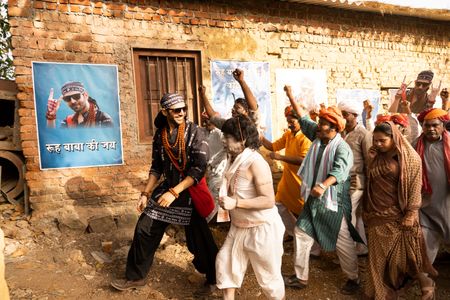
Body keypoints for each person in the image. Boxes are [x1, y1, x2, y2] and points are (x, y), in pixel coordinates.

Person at [111, 93, 218, 295]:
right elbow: (156, 167)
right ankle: (136, 277)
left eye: (184, 109)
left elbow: (199, 169)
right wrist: (145, 193)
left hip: (188, 193)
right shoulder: (160, 136)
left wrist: (174, 192)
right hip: (167, 190)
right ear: (165, 111)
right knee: (144, 228)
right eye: (176, 110)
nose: (182, 113)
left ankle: (214, 279)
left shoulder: (197, 133)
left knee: (200, 241)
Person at [284, 85, 361, 295]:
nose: (318, 126)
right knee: (301, 232)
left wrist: (322, 185)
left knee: (342, 241)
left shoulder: (342, 148)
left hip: (333, 202)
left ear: (335, 128)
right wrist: (290, 94)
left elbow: (340, 171)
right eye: (319, 123)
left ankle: (353, 278)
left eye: (324, 124)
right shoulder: (318, 138)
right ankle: (300, 277)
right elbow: (303, 118)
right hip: (314, 199)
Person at [364, 121, 437, 299]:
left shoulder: (409, 158)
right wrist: (371, 160)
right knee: (377, 258)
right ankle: (379, 293)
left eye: (382, 141)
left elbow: (413, 187)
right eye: (375, 140)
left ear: (394, 137)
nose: (378, 144)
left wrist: (411, 213)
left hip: (399, 214)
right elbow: (372, 181)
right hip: (376, 214)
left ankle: (425, 282)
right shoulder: (377, 155)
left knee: (406, 257)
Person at [215, 116, 285, 300]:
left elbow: (268, 200)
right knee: (225, 263)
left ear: (242, 139)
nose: (223, 140)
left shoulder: (256, 162)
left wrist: (236, 203)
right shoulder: (233, 158)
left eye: (228, 136)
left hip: (262, 229)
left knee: (269, 280)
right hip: (239, 226)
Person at [260, 105, 311, 237]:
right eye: (288, 122)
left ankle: (313, 246)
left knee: (305, 215)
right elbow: (273, 146)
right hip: (288, 181)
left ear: (300, 120)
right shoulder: (288, 134)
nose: (289, 125)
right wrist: (261, 138)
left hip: (300, 182)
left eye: (292, 122)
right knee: (278, 206)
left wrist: (280, 157)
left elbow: (303, 160)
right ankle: (296, 234)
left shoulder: (305, 138)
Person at [415, 108, 450, 264]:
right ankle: (425, 279)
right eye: (427, 125)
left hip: (446, 203)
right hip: (426, 205)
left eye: (435, 125)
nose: (431, 129)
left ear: (442, 125)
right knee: (426, 243)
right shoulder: (415, 144)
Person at [337, 100, 371, 256]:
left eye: (346, 115)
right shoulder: (341, 132)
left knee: (346, 218)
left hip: (356, 182)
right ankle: (361, 248)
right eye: (341, 115)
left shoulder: (363, 133)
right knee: (356, 217)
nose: (343, 118)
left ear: (355, 115)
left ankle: (348, 252)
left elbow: (369, 160)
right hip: (342, 182)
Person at [46, 81, 113, 128]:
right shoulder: (68, 121)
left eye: (76, 96)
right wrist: (51, 117)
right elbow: (54, 138)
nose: (72, 101)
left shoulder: (102, 118)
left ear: (85, 95)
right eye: (67, 98)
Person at [201, 111, 227, 221]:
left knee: (217, 195)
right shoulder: (202, 132)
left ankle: (205, 221)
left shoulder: (220, 133)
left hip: (219, 170)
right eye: (205, 121)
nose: (207, 123)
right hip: (207, 170)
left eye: (210, 120)